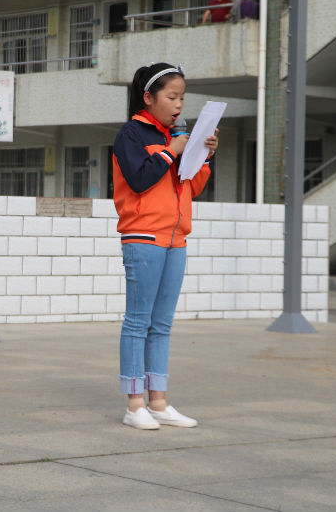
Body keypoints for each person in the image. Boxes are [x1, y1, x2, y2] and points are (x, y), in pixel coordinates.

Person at [112, 63, 218, 429]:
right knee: (138, 322)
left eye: (182, 98)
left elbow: (193, 186)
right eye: (172, 97)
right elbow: (141, 179)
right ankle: (134, 405)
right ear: (149, 98)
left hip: (176, 239)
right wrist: (172, 149)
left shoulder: (177, 137)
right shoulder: (132, 134)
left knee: (162, 324)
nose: (178, 104)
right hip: (143, 237)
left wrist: (204, 154)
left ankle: (158, 402)